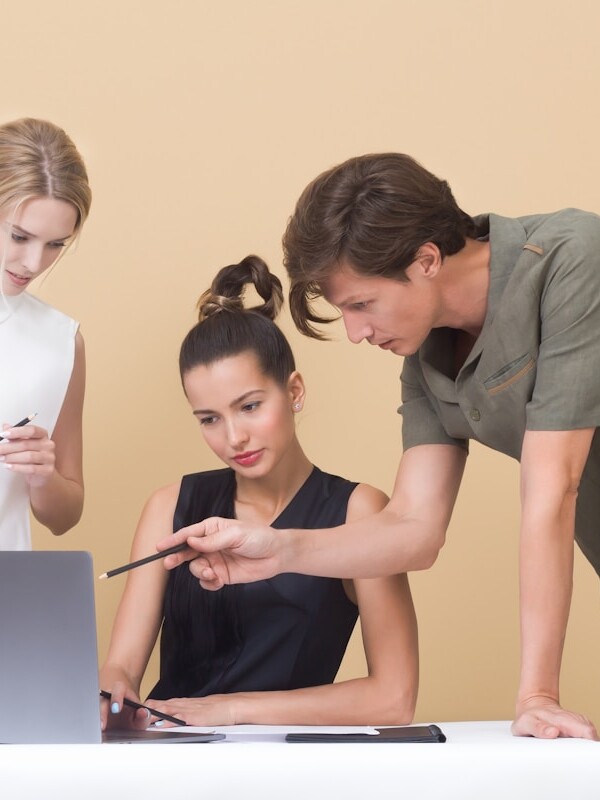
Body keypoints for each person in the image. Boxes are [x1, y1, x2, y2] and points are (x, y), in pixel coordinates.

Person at [161, 154, 600, 740]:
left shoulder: (573, 259)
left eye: (361, 304)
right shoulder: (423, 351)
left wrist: (538, 695)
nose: (354, 332)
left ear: (426, 259)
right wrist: (278, 549)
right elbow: (414, 530)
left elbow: (554, 489)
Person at [100, 255, 418, 730]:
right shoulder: (169, 507)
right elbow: (121, 668)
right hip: (167, 759)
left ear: (294, 391)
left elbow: (394, 698)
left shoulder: (359, 512)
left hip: (283, 767)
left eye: (249, 406)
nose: (233, 438)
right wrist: (113, 694)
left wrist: (230, 710)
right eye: (209, 419)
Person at [0, 118, 92, 550]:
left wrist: (43, 476)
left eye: (56, 244)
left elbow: (65, 515)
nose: (33, 263)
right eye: (20, 236)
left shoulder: (60, 342)